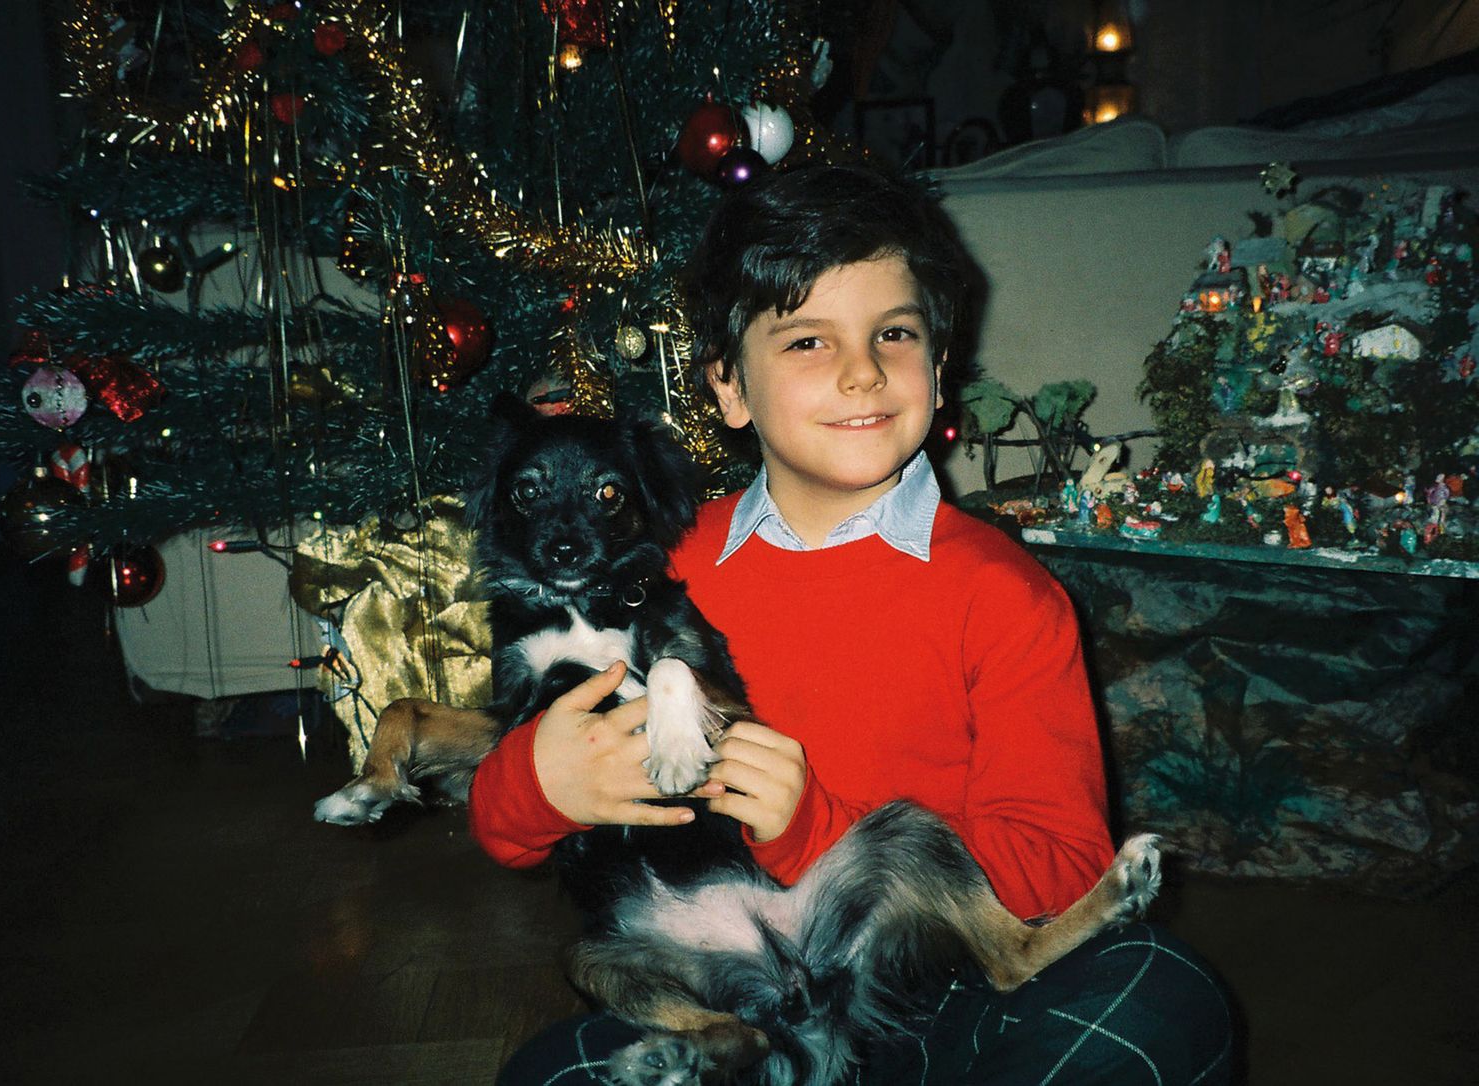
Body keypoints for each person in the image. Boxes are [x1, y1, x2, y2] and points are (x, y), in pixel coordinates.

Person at [471, 164, 1234, 1084]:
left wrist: (821, 833)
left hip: (947, 988)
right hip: (728, 990)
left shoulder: (1007, 594)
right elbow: (509, 825)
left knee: (1159, 995)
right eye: (806, 341)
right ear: (729, 387)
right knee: (553, 1072)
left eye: (894, 334)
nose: (863, 371)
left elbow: (1064, 863)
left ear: (939, 370)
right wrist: (539, 781)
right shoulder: (647, 563)